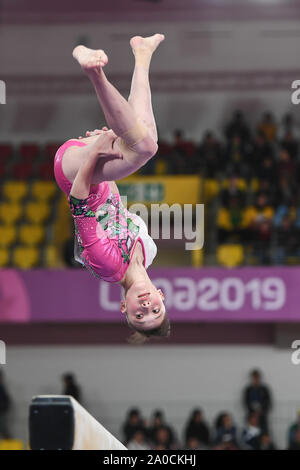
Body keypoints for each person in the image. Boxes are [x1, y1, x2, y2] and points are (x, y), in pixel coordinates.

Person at [54, 34, 170, 343]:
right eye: (155, 311)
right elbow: (113, 207)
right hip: (100, 177)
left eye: (138, 314)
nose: (146, 307)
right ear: (161, 296)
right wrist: (109, 148)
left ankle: (94, 70)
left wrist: (95, 153)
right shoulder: (149, 250)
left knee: (145, 147)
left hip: (73, 174)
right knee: (145, 138)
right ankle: (141, 54)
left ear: (124, 307)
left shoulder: (107, 266)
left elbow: (78, 204)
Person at [0, 370, 11, 439]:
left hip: (1, 413)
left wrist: (3, 408)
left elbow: (7, 401)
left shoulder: (1, 388)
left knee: (4, 430)